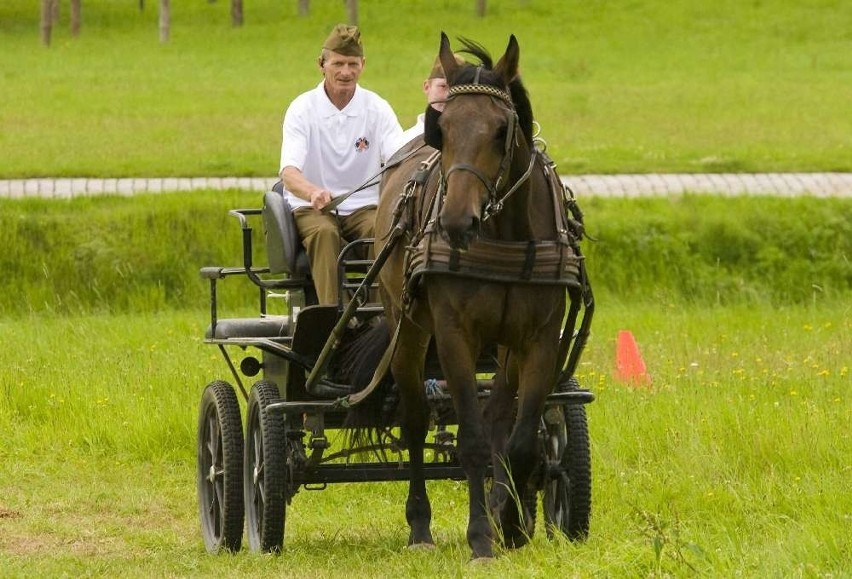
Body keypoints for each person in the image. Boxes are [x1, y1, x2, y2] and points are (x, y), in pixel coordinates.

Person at [279, 24, 403, 305]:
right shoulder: (302, 109)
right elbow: (288, 173)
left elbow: (398, 156)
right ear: (321, 65)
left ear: (363, 65)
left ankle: (379, 316)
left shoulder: (377, 108)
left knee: (382, 230)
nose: (345, 72)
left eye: (352, 64)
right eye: (338, 63)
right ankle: (335, 318)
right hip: (313, 207)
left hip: (365, 206)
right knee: (324, 233)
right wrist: (312, 192)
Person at [397, 53, 465, 146]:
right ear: (427, 87)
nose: (449, 94)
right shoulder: (403, 142)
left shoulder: (478, 143)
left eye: (457, 88)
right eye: (443, 86)